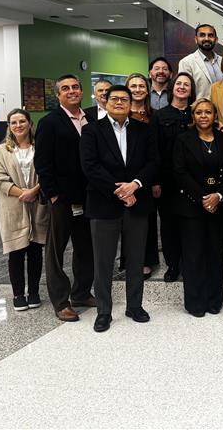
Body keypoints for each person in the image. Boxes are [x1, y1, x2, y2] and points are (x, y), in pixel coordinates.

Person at [79, 85, 159, 333]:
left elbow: (154, 162)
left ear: (131, 103)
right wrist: (119, 191)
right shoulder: (91, 131)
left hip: (137, 202)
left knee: (135, 259)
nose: (119, 103)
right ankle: (104, 311)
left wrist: (134, 185)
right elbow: (90, 167)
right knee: (103, 262)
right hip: (105, 204)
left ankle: (135, 306)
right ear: (105, 102)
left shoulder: (144, 131)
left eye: (124, 99)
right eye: (114, 99)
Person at [34, 74, 95, 322]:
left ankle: (81, 292)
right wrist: (53, 195)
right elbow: (42, 162)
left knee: (86, 247)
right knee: (56, 250)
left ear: (81, 92)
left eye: (76, 87)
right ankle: (61, 301)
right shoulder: (50, 122)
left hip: (88, 196)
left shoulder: (90, 119)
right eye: (66, 88)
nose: (72, 91)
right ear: (58, 94)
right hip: (62, 198)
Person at [173, 98, 223, 316]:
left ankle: (214, 300)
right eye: (199, 112)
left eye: (207, 112)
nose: (203, 116)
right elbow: (179, 171)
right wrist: (202, 197)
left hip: (218, 206)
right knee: (193, 255)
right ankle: (195, 303)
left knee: (214, 254)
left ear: (214, 115)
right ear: (194, 116)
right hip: (191, 206)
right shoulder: (183, 140)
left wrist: (218, 196)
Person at [0, 109, 49, 311]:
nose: (18, 125)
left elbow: (48, 171)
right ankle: (18, 294)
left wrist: (34, 191)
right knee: (16, 251)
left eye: (22, 121)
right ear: (9, 126)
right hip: (13, 206)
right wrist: (21, 193)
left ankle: (33, 292)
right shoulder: (1, 151)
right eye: (13, 122)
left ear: (30, 123)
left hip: (38, 205)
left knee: (35, 251)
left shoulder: (40, 147)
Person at [149, 71, 195, 282]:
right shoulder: (159, 116)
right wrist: (155, 180)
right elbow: (154, 150)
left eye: (187, 84)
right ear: (172, 87)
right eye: (179, 84)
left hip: (193, 180)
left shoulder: (196, 114)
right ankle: (172, 265)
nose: (182, 87)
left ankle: (189, 263)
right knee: (168, 225)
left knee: (189, 223)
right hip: (167, 180)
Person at [125, 72, 156, 277]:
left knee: (149, 219)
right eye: (133, 86)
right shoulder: (121, 114)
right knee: (128, 222)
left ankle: (148, 260)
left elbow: (157, 150)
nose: (137, 89)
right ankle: (129, 260)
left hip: (148, 173)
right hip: (126, 176)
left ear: (147, 89)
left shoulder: (154, 115)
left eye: (141, 86)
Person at [177, 23, 223, 99]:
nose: (207, 39)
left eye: (210, 35)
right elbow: (184, 92)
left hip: (222, 110)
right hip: (199, 109)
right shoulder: (186, 62)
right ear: (196, 39)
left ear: (216, 40)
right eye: (202, 35)